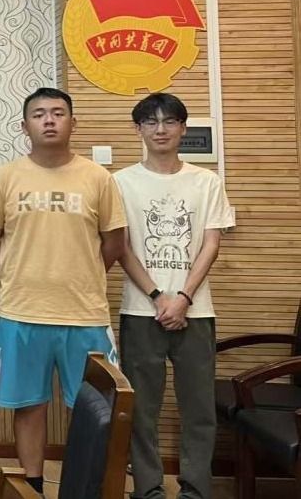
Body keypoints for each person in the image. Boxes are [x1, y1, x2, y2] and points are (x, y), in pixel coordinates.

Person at [0, 88, 126, 497]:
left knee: (95, 412)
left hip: (85, 315)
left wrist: (81, 274)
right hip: (21, 313)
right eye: (39, 114)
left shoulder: (98, 178)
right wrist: (20, 271)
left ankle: (83, 488)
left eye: (58, 113)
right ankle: (34, 488)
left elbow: (114, 243)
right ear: (24, 126)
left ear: (73, 123)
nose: (49, 120)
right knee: (28, 406)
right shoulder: (5, 177)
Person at [115, 93, 234, 499]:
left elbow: (211, 244)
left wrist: (182, 297)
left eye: (169, 121)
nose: (160, 129)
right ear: (138, 129)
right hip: (139, 310)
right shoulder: (120, 182)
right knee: (140, 410)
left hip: (195, 312)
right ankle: (147, 489)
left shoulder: (206, 182)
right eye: (151, 121)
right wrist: (156, 295)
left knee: (199, 409)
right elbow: (121, 247)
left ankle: (195, 490)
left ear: (183, 128)